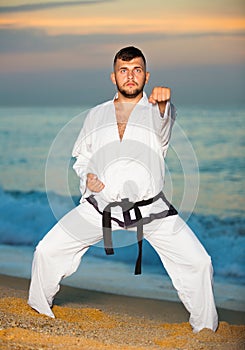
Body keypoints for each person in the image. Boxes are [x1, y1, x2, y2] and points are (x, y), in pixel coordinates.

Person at [28, 46, 218, 333]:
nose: (130, 76)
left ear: (146, 76)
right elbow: (82, 158)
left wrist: (164, 104)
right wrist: (88, 177)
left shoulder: (157, 111)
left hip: (151, 210)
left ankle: (205, 331)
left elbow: (164, 126)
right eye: (123, 70)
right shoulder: (95, 115)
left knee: (199, 262)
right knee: (46, 251)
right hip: (100, 208)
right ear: (113, 76)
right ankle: (38, 311)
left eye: (137, 70)